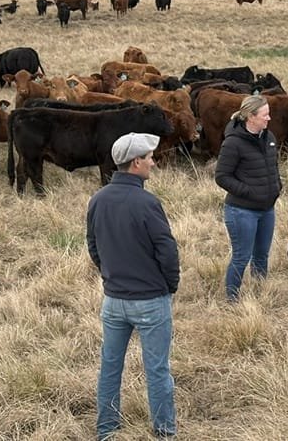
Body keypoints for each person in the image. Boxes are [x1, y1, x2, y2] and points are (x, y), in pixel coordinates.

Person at [87, 132, 180, 440]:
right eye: (150, 158)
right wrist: (170, 284)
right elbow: (166, 249)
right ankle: (164, 431)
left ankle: (106, 430)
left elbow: (93, 245)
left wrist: (109, 275)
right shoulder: (148, 202)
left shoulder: (98, 199)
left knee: (110, 367)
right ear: (136, 162)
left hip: (113, 301)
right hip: (151, 300)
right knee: (157, 370)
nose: (153, 163)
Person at [215, 95, 282, 302]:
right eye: (265, 114)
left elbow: (273, 166)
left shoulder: (269, 137)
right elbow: (222, 176)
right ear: (251, 116)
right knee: (241, 256)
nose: (269, 118)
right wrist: (248, 191)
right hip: (242, 211)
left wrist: (277, 185)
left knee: (262, 255)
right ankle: (232, 300)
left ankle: (260, 294)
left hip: (267, 209)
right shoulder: (233, 143)